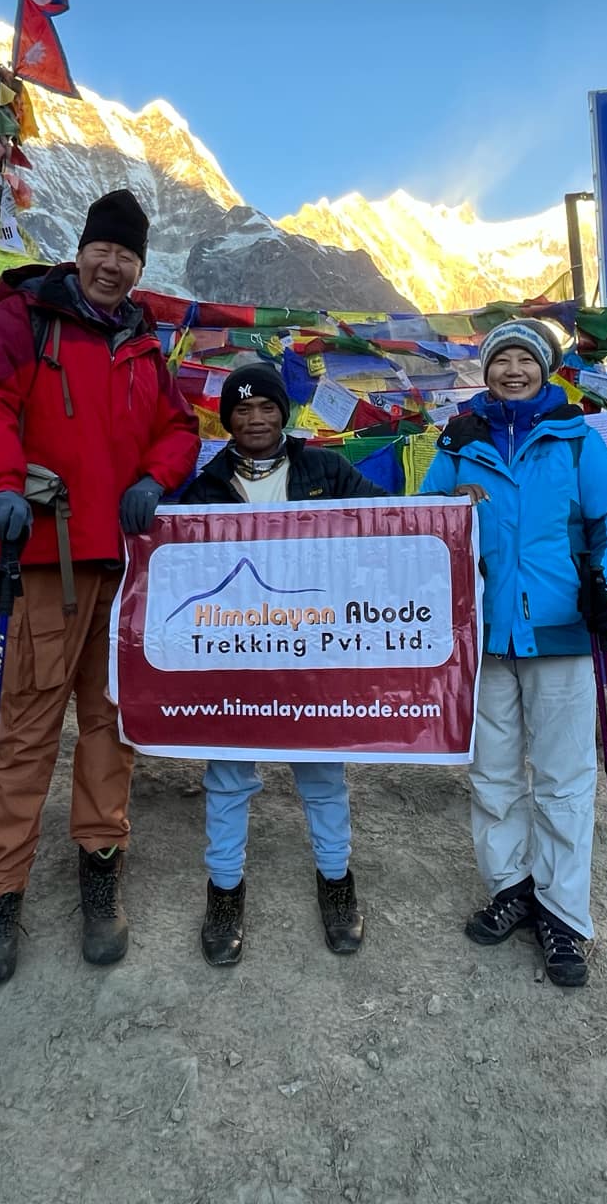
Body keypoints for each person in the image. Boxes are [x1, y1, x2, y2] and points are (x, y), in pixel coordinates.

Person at [0, 188, 198, 983]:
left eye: (128, 256)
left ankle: (100, 868)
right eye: (104, 250)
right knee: (24, 730)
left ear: (139, 267)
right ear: (80, 249)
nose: (113, 265)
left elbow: (180, 428)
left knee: (110, 727)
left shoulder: (145, 347)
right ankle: (2, 896)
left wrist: (157, 478)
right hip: (42, 557)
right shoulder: (24, 320)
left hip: (122, 569)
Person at [419, 318, 607, 988]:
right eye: (499, 361)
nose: (512, 371)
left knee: (564, 779)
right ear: (484, 373)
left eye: (525, 360)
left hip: (563, 631)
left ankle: (563, 915)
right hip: (480, 636)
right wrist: (449, 489)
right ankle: (510, 886)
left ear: (546, 369)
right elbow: (422, 522)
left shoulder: (578, 443)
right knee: (491, 774)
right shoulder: (460, 442)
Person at [177, 361, 381, 965]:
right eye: (243, 410)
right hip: (234, 652)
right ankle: (224, 890)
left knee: (321, 772)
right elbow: (180, 561)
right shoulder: (208, 483)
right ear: (228, 419)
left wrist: (448, 507)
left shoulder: (324, 467)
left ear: (283, 412)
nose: (257, 418)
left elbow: (388, 518)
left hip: (313, 649)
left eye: (266, 407)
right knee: (229, 775)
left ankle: (337, 881)